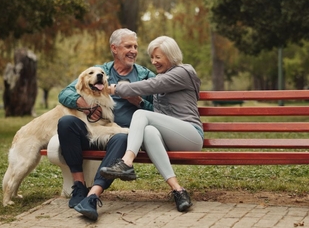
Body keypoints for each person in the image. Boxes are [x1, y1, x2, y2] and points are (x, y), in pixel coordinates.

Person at [57, 28, 156, 221]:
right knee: (66, 122)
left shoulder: (145, 76)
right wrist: (83, 105)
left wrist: (140, 103)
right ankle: (78, 186)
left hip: (121, 137)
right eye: (128, 46)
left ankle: (92, 196)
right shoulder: (99, 71)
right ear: (114, 49)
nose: (133, 51)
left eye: (135, 46)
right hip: (94, 131)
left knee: (121, 136)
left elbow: (162, 111)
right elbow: (65, 93)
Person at [100, 36, 204, 212]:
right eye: (152, 57)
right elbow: (158, 114)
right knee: (148, 131)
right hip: (172, 136)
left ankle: (126, 162)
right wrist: (140, 103)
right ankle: (178, 190)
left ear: (171, 55)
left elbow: (151, 85)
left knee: (141, 115)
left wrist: (114, 89)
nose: (154, 61)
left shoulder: (183, 72)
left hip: (191, 135)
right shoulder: (163, 77)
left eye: (158, 57)